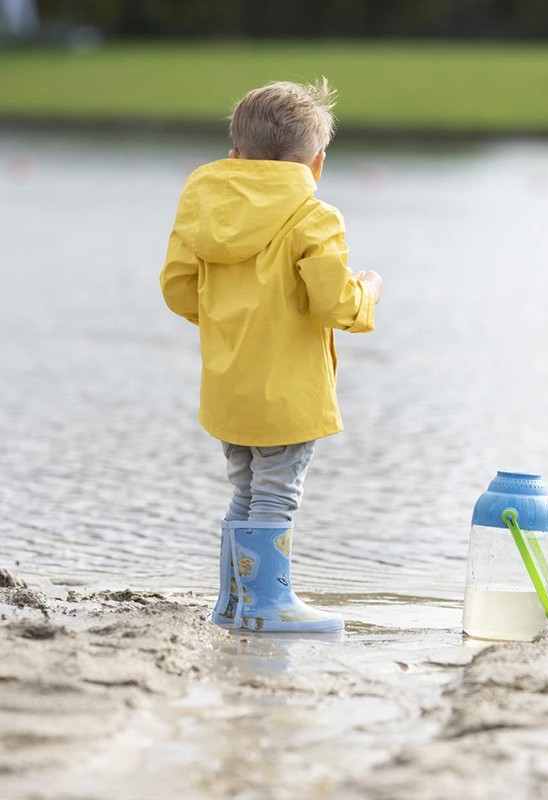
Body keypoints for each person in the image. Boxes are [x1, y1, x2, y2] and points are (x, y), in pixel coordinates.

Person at [160, 80, 383, 633]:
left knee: (246, 491)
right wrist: (368, 292)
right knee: (277, 496)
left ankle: (234, 602)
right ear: (316, 163)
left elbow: (178, 289)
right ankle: (268, 603)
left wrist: (230, 323)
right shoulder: (314, 216)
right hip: (286, 392)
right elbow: (334, 303)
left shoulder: (204, 206)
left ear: (236, 155)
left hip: (229, 385)